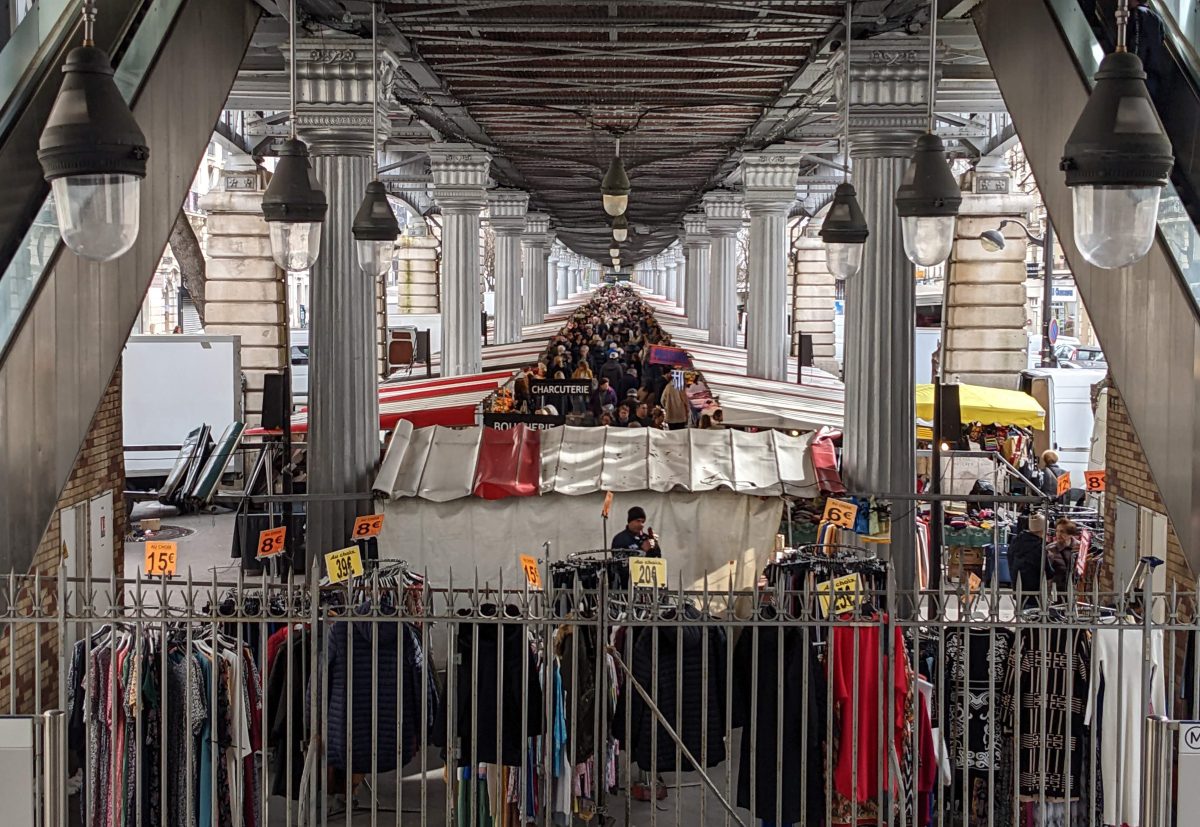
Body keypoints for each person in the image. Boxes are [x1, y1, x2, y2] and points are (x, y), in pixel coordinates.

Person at [1007, 512, 1047, 607]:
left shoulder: (1015, 541)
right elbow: (1047, 571)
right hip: (1034, 593)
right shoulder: (1038, 547)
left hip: (1018, 588)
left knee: (1022, 617)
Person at [1046, 518, 1080, 594]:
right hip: (1056, 590)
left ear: (1070, 534)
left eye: (1062, 532)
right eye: (1057, 531)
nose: (1058, 534)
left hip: (1074, 590)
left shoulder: (1079, 547)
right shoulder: (1050, 548)